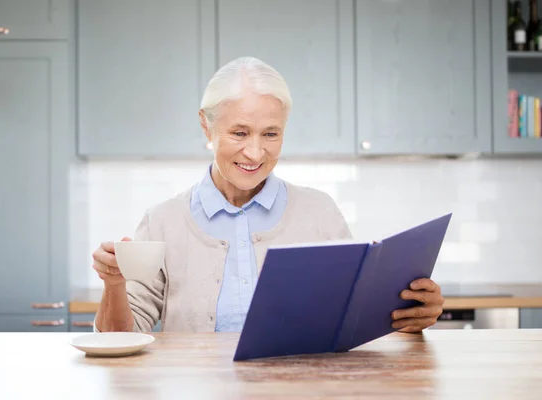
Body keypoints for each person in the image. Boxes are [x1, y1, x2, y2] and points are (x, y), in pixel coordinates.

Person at [92, 57, 444, 334]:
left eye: (271, 134)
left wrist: (411, 317)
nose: (256, 153)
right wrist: (114, 286)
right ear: (206, 126)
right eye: (240, 132)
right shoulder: (163, 222)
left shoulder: (319, 213)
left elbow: (351, 318)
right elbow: (120, 336)